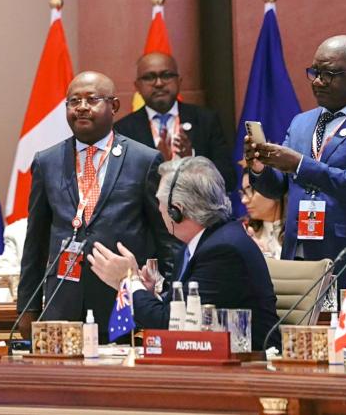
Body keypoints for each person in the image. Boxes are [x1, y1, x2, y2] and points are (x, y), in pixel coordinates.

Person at [16, 71, 180, 343]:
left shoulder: (144, 160)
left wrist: (170, 300)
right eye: (74, 101)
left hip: (121, 302)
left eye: (92, 100)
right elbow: (36, 241)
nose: (81, 107)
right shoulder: (47, 161)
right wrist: (27, 307)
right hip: (62, 303)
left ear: (114, 106)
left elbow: (166, 239)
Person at [246, 35, 346, 289]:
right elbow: (277, 188)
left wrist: (300, 164)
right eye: (314, 72)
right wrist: (259, 167)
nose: (317, 81)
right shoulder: (301, 122)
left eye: (328, 74)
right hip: (300, 258)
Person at [88, 156, 279, 351]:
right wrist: (147, 294)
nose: (158, 208)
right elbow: (175, 314)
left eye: (160, 202)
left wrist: (127, 280)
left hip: (250, 363)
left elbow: (173, 326)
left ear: (176, 210)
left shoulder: (223, 251)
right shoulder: (198, 246)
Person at [114, 52, 236, 191]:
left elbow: (228, 179)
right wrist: (159, 167)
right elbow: (122, 187)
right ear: (137, 86)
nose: (159, 83)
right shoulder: (123, 130)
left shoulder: (205, 120)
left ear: (179, 81)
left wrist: (191, 160)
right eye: (149, 77)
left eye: (166, 75)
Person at [240, 170, 286, 259]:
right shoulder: (245, 232)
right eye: (243, 192)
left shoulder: (298, 233)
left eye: (250, 190)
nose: (244, 200)